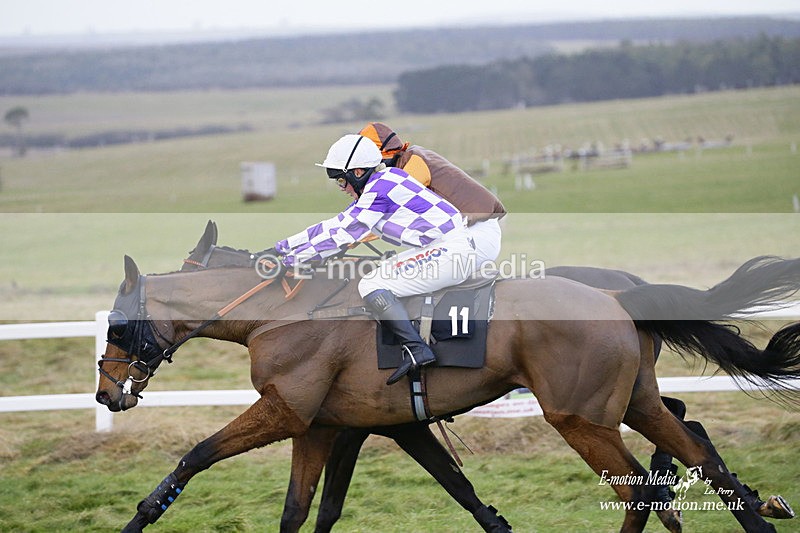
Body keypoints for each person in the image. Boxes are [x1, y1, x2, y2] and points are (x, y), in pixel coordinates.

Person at [275, 134, 479, 385]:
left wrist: (291, 260)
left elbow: (344, 235)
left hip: (450, 251)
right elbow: (333, 225)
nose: (342, 188)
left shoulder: (379, 190)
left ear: (358, 172)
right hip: (446, 246)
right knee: (377, 274)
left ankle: (417, 349)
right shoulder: (381, 183)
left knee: (371, 284)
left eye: (342, 180)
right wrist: (282, 248)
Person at [359, 122, 506, 269]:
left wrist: (350, 238)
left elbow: (386, 210)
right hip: (464, 234)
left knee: (389, 275)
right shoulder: (408, 159)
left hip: (475, 235)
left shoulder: (412, 163)